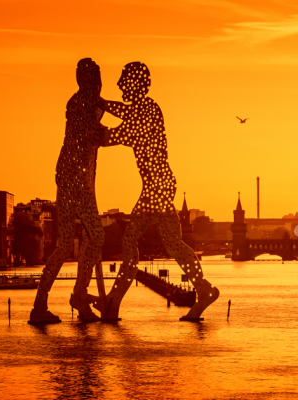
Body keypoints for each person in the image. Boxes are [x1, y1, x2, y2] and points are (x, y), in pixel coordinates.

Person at [97, 62, 219, 321]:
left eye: (123, 80)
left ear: (135, 84)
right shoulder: (143, 108)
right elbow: (123, 111)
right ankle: (204, 290)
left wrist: (93, 130)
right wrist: (101, 102)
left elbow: (119, 134)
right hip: (159, 184)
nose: (119, 85)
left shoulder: (147, 111)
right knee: (174, 245)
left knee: (130, 242)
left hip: (157, 186)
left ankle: (113, 303)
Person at [29, 58, 106, 324]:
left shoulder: (90, 103)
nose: (97, 84)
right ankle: (78, 295)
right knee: (94, 235)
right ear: (85, 81)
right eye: (93, 79)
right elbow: (97, 136)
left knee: (71, 243)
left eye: (97, 78)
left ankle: (43, 305)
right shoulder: (80, 105)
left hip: (76, 181)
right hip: (74, 182)